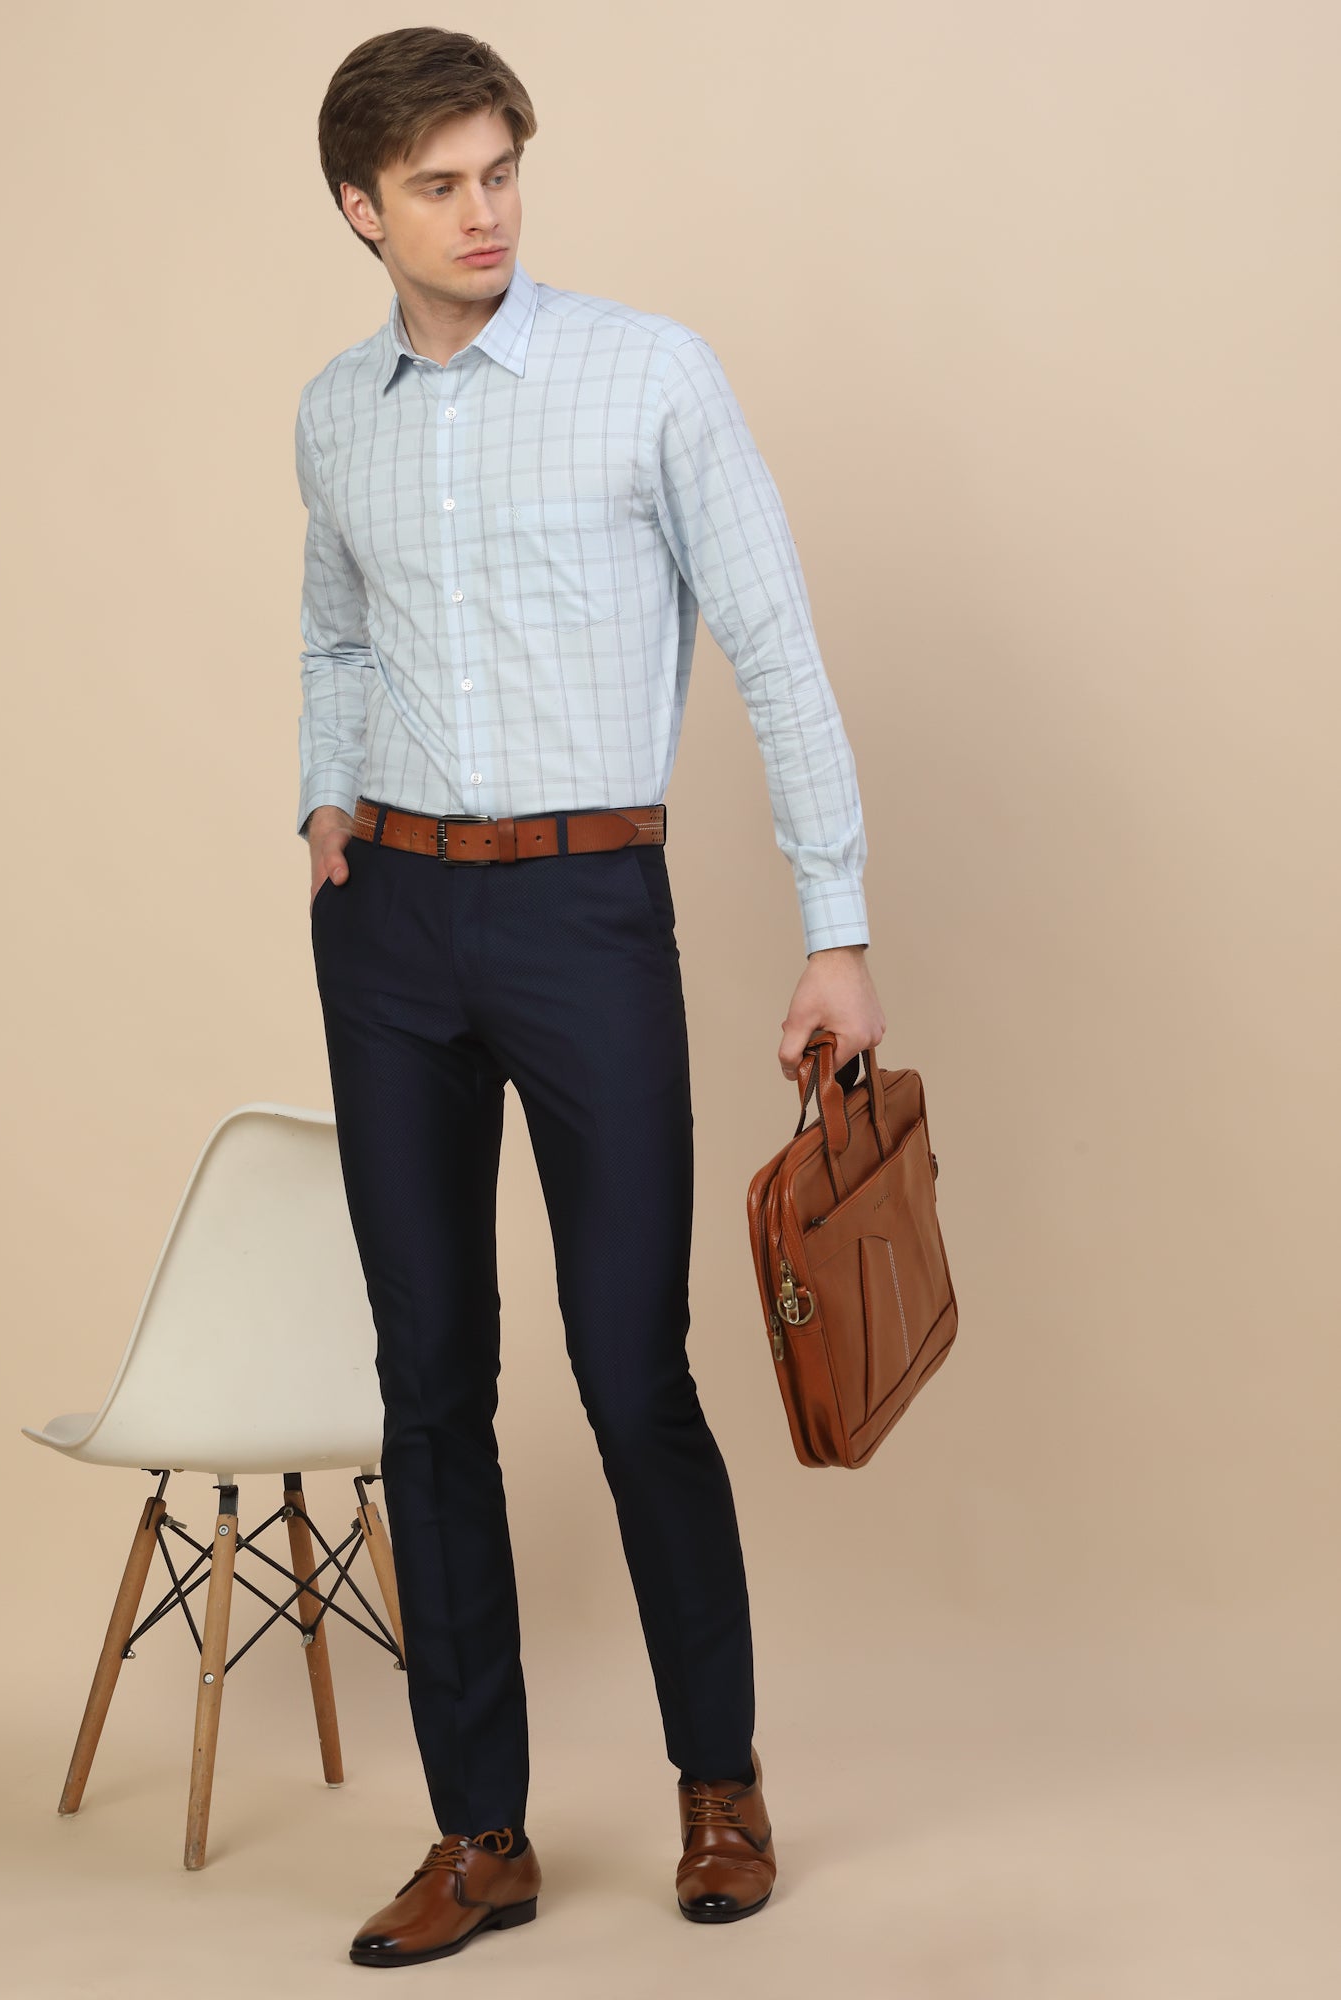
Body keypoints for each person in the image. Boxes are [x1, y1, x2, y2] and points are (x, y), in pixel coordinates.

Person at [295, 26, 886, 1969]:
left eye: (500, 173)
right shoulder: (335, 415)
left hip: (585, 913)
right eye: (440, 186)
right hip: (392, 926)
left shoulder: (650, 374)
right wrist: (324, 800)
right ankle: (480, 1836)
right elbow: (334, 628)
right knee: (428, 1387)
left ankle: (720, 1783)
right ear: (361, 208)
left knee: (633, 1366)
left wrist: (836, 925)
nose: (484, 214)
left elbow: (775, 641)